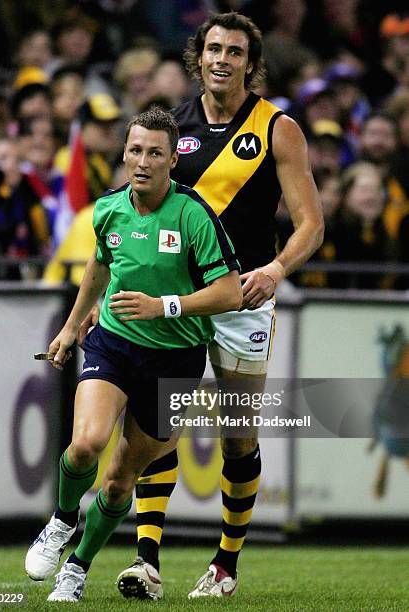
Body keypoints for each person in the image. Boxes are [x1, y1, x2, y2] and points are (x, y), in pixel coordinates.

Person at [113, 11, 323, 600]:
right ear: (196, 56)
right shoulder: (168, 124)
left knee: (237, 435)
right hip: (177, 299)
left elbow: (312, 224)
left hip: (242, 299)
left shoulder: (278, 128)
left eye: (234, 51)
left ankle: (224, 565)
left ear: (251, 65)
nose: (221, 59)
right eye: (213, 49)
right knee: (161, 423)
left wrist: (277, 269)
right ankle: (146, 562)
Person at [24, 107, 242, 602]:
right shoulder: (108, 209)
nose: (143, 161)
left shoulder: (193, 215)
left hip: (177, 359)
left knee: (122, 482)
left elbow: (229, 291)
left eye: (155, 153)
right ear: (124, 153)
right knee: (86, 444)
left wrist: (163, 306)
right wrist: (71, 325)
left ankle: (77, 568)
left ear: (173, 159)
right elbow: (99, 267)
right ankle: (61, 520)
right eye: (135, 150)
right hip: (115, 344)